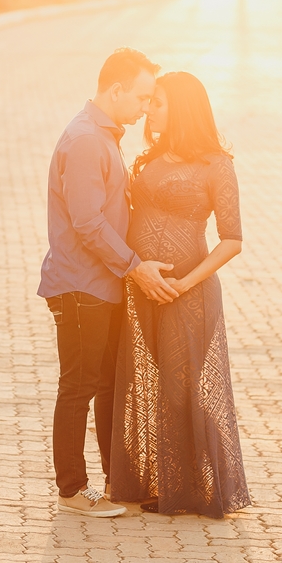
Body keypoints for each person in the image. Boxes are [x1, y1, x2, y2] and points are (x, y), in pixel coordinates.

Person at [37, 48, 178, 518]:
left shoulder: (104, 137)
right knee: (78, 386)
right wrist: (136, 265)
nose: (144, 106)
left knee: (104, 385)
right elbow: (87, 223)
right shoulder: (84, 141)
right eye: (140, 96)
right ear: (115, 90)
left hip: (103, 284)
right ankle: (74, 491)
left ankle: (117, 482)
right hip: (81, 286)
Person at [110, 71, 251, 519]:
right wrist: (137, 273)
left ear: (184, 109)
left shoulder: (216, 165)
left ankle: (196, 489)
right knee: (147, 386)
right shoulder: (148, 158)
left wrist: (184, 284)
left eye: (159, 103)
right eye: (150, 102)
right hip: (143, 289)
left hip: (187, 293)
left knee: (179, 389)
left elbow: (232, 240)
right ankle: (159, 482)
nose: (150, 109)